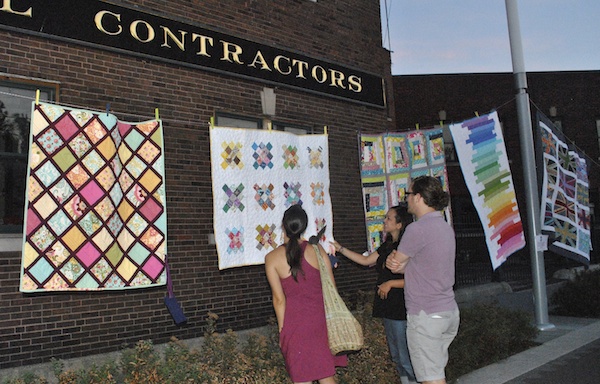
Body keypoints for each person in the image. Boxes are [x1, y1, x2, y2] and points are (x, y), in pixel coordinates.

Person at [331, 205, 418, 384]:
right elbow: (365, 260)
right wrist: (341, 249)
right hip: (388, 306)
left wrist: (391, 283)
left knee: (406, 356)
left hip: (401, 306)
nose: (384, 221)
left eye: (389, 218)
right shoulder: (387, 246)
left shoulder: (407, 247)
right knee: (396, 356)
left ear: (400, 224)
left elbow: (418, 278)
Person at [386, 176, 459, 384]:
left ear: (418, 197)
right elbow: (422, 265)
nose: (406, 199)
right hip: (448, 311)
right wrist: (406, 263)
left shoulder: (416, 229)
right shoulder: (445, 227)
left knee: (432, 379)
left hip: (426, 315)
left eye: (408, 194)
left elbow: (394, 264)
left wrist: (400, 261)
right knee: (436, 373)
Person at [265, 204, 347, 384]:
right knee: (325, 374)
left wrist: (282, 330)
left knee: (302, 376)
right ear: (304, 226)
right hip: (319, 321)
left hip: (294, 325)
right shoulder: (318, 251)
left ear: (283, 225)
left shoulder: (271, 258)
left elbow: (279, 300)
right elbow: (331, 289)